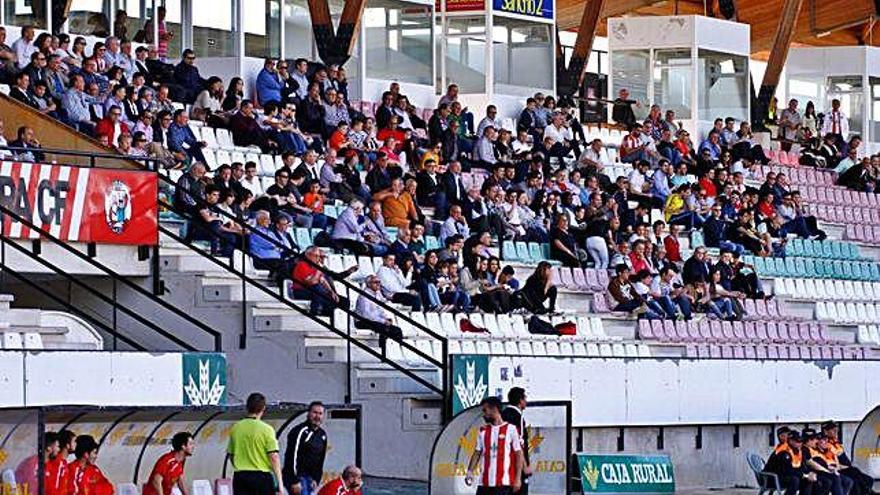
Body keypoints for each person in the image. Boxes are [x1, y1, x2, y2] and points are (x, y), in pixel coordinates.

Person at [465, 396, 524, 495]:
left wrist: (518, 478)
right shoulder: (483, 431)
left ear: (494, 409)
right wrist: (470, 472)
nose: (484, 414)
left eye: (485, 410)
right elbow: (477, 452)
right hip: (484, 483)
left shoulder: (511, 429)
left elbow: (519, 454)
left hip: (503, 484)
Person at [227, 393, 284, 495]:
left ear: (247, 407)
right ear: (263, 408)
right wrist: (280, 483)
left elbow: (231, 455)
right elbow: (273, 456)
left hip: (240, 477)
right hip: (261, 478)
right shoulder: (267, 429)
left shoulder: (235, 428)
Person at [283, 401, 328, 495]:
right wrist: (294, 481)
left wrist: (316, 478)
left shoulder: (322, 435)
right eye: (314, 412)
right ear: (308, 413)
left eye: (320, 413)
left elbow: (321, 459)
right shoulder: (299, 431)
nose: (317, 416)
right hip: (298, 478)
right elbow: (291, 456)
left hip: (310, 479)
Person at [290, 246, 351, 316]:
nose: (318, 259)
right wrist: (319, 270)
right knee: (318, 289)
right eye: (316, 256)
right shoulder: (301, 265)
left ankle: (341, 321)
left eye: (319, 256)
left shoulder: (314, 266)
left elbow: (323, 280)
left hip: (315, 292)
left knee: (344, 301)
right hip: (301, 291)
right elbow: (311, 282)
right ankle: (317, 314)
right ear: (308, 255)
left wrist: (331, 292)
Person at [355, 275, 405, 350]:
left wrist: (386, 318)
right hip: (362, 321)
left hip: (374, 320)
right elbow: (366, 315)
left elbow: (380, 310)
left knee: (397, 330)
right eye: (376, 282)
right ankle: (383, 351)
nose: (378, 284)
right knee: (384, 329)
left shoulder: (378, 294)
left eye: (379, 282)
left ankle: (397, 350)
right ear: (368, 284)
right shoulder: (364, 296)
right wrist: (383, 321)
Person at [501, 388, 532, 495]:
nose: (526, 401)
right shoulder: (516, 417)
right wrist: (525, 466)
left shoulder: (503, 414)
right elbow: (518, 444)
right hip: (515, 467)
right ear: (520, 400)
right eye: (525, 398)